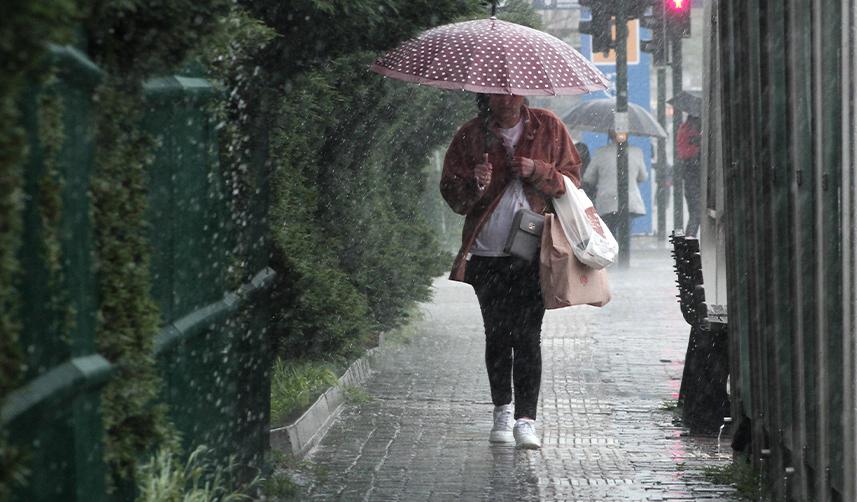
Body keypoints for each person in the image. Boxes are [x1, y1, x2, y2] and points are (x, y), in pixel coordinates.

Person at [440, 94, 581, 450]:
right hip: (487, 253)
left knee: (528, 335)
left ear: (524, 93)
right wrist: (475, 183)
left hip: (533, 251)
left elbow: (573, 183)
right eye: (498, 93)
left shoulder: (548, 126)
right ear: (486, 96)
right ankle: (502, 410)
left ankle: (526, 420)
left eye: (513, 91)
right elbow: (453, 197)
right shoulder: (471, 136)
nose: (506, 100)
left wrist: (539, 172)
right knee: (497, 334)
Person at [582, 130, 648, 237]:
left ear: (609, 136)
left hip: (606, 200)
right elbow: (643, 176)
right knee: (625, 232)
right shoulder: (636, 152)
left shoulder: (601, 152)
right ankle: (624, 251)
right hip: (629, 200)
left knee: (609, 233)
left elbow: (588, 178)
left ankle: (614, 250)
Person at [676, 114, 702, 237]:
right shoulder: (692, 132)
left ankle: (689, 246)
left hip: (689, 175)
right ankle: (689, 244)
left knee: (694, 214)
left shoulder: (684, 129)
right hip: (694, 175)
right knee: (696, 214)